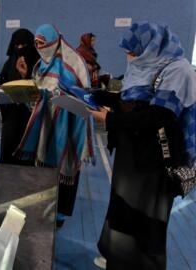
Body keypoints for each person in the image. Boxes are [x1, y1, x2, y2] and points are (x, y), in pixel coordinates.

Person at [89, 21, 196, 270]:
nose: (130, 57)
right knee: (123, 208)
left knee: (147, 218)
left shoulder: (178, 70)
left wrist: (109, 119)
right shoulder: (142, 68)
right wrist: (93, 95)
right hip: (131, 156)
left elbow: (158, 116)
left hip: (155, 163)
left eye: (134, 52)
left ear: (152, 47)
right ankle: (118, 258)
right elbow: (129, 100)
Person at [15, 24, 94, 227]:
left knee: (63, 166)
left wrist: (60, 96)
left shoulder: (74, 62)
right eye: (37, 44)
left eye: (44, 43)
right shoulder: (40, 65)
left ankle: (59, 214)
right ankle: (45, 206)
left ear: (54, 41)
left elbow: (84, 97)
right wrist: (28, 92)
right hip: (45, 124)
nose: (41, 48)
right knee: (44, 168)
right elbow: (35, 94)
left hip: (67, 125)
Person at [0, 28, 40, 166]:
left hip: (29, 116)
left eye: (24, 45)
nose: (20, 48)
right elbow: (3, 83)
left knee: (26, 152)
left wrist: (25, 76)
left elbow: (40, 88)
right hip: (11, 115)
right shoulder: (9, 64)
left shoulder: (37, 64)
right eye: (17, 45)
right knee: (8, 148)